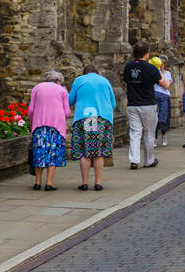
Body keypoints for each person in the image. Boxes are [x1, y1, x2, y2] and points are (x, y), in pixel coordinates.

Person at [68, 63, 116, 191]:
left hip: (85, 117)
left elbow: (70, 100)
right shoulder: (105, 81)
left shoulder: (79, 80)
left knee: (85, 152)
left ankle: (84, 183)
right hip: (102, 118)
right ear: (96, 72)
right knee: (98, 152)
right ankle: (98, 182)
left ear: (85, 73)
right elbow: (113, 104)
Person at [123, 41, 165, 171]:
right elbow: (162, 83)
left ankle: (134, 160)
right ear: (146, 54)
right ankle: (149, 160)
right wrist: (161, 71)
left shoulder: (128, 66)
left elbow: (126, 80)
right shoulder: (150, 67)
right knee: (149, 133)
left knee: (135, 133)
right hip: (148, 104)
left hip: (132, 104)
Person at [28, 69, 70, 191]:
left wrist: (33, 121)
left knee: (39, 153)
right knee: (53, 153)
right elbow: (67, 112)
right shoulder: (62, 90)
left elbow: (31, 110)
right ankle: (49, 183)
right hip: (56, 127)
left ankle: (37, 182)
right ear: (58, 80)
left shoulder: (37, 88)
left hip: (39, 126)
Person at [152, 56, 174, 148]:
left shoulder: (167, 73)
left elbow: (166, 86)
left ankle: (164, 135)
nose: (160, 65)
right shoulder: (153, 73)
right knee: (154, 118)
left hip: (164, 96)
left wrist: (160, 74)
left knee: (163, 118)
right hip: (154, 95)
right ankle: (154, 138)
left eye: (162, 63)